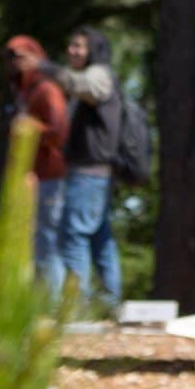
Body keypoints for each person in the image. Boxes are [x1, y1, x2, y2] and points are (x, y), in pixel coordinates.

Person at [41, 27, 125, 308]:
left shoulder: (98, 74)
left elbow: (82, 85)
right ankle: (110, 304)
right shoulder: (94, 77)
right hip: (95, 175)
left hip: (88, 174)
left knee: (74, 236)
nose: (72, 51)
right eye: (70, 45)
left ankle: (78, 309)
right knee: (101, 240)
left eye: (79, 46)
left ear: (94, 50)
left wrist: (45, 68)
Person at [2, 35, 70, 290]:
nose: (14, 63)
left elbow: (58, 130)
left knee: (47, 241)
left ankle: (53, 309)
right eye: (10, 58)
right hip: (31, 177)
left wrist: (28, 128)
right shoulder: (24, 93)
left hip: (49, 176)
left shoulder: (46, 89)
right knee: (31, 242)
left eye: (20, 56)